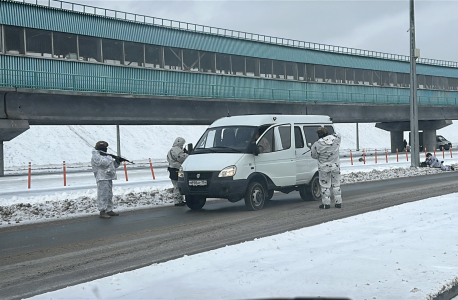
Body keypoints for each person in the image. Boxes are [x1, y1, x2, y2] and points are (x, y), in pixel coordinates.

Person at [311, 127, 342, 209]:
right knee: (336, 185)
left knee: (325, 186)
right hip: (335, 166)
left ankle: (326, 204)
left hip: (324, 168)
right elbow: (338, 135)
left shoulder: (316, 144)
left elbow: (314, 155)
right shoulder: (336, 140)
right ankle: (338, 203)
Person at [91, 141, 121, 219]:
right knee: (103, 195)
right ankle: (102, 211)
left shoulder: (106, 156)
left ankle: (109, 209)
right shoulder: (96, 156)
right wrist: (110, 157)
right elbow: (103, 163)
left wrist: (117, 161)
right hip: (101, 177)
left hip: (108, 177)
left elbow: (112, 166)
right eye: (103, 148)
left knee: (109, 194)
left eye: (105, 148)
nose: (105, 149)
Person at [167, 137, 189, 206]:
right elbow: (182, 158)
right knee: (177, 186)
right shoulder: (176, 150)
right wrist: (187, 155)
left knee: (176, 186)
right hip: (176, 170)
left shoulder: (171, 150)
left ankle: (179, 200)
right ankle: (178, 201)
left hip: (172, 169)